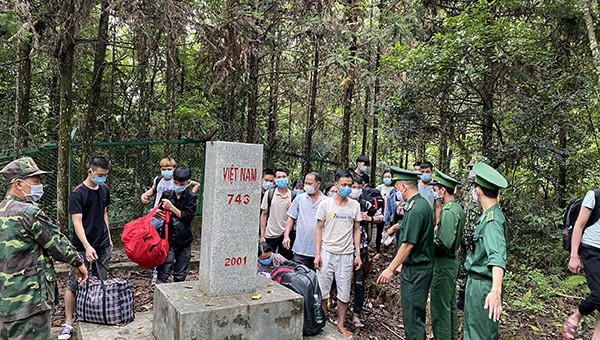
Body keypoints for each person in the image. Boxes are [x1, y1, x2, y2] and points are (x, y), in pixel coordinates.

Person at [0, 157, 88, 340]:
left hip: (5, 305)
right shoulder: (28, 213)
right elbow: (57, 244)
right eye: (36, 181)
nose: (40, 186)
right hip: (28, 303)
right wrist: (79, 262)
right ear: (18, 184)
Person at [377, 168, 434, 340]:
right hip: (416, 269)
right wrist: (397, 226)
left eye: (396, 188)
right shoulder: (419, 205)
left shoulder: (416, 209)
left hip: (416, 271)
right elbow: (413, 227)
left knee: (413, 320)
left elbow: (408, 244)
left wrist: (390, 268)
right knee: (412, 317)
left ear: (403, 187)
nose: (396, 192)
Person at [61, 155, 112, 340]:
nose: (103, 178)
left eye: (105, 175)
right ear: (90, 172)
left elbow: (104, 214)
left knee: (100, 283)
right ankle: (68, 322)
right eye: (100, 174)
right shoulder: (78, 193)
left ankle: (94, 316)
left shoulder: (104, 189)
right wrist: (87, 246)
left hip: (103, 245)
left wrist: (108, 238)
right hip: (82, 248)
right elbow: (77, 222)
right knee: (73, 284)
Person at [315, 170, 362, 339]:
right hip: (327, 252)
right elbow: (319, 229)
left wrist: (357, 254)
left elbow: (356, 229)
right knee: (323, 290)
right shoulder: (326, 204)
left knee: (343, 291)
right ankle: (324, 320)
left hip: (346, 254)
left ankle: (341, 324)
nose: (347, 188)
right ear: (336, 185)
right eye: (344, 185)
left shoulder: (354, 205)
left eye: (350, 185)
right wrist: (317, 254)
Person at [463, 163, 508, 340]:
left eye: (474, 188)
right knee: (473, 332)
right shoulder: (488, 215)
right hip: (477, 285)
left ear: (478, 191)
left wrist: (495, 291)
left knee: (479, 336)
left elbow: (497, 256)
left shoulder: (492, 221)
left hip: (484, 287)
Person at [430, 170, 465, 340]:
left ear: (443, 190)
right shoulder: (457, 208)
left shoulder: (450, 211)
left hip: (444, 265)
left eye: (436, 189)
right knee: (449, 306)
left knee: (440, 310)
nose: (435, 192)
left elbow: (445, 242)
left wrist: (427, 244)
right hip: (450, 264)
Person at [563, 186, 600, 339]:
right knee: (599, 296)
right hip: (591, 250)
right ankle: (576, 316)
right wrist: (573, 256)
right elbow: (579, 225)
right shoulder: (594, 195)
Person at [349, 175, 383, 329]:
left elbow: (381, 217)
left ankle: (356, 314)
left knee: (359, 282)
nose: (355, 190)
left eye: (358, 187)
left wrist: (369, 219)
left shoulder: (365, 204)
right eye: (352, 186)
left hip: (361, 249)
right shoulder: (341, 204)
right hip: (342, 249)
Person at [457, 155, 489, 312]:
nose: (471, 172)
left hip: (476, 237)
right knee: (463, 265)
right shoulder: (469, 190)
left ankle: (471, 298)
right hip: (465, 235)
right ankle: (462, 295)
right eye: (470, 169)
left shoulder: (487, 192)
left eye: (474, 169)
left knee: (474, 266)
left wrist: (476, 234)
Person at [155, 167, 197, 283]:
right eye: (175, 183)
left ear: (188, 183)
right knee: (164, 269)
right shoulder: (166, 194)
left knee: (180, 272)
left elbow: (187, 216)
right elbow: (158, 211)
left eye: (181, 184)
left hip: (184, 240)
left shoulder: (191, 198)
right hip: (167, 238)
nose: (178, 186)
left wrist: (172, 208)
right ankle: (159, 296)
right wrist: (157, 213)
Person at [283, 172, 326, 270]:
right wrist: (286, 236)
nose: (306, 186)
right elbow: (291, 218)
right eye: (305, 183)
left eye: (309, 184)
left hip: (320, 250)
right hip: (300, 249)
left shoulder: (326, 201)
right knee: (300, 279)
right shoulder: (299, 198)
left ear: (318, 184)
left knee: (317, 281)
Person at [260, 167, 294, 259]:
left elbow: (296, 218)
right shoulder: (269, 194)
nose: (281, 179)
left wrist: (292, 209)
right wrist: (262, 236)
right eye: (279, 177)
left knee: (285, 264)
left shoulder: (294, 196)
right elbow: (264, 214)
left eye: (283, 177)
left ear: (288, 178)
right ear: (275, 179)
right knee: (267, 262)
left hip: (286, 236)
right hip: (270, 234)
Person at [376, 169, 395, 252]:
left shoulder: (394, 189)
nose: (387, 178)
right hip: (380, 213)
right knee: (379, 231)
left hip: (390, 214)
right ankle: (378, 249)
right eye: (385, 177)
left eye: (389, 177)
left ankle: (386, 247)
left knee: (389, 230)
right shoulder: (379, 188)